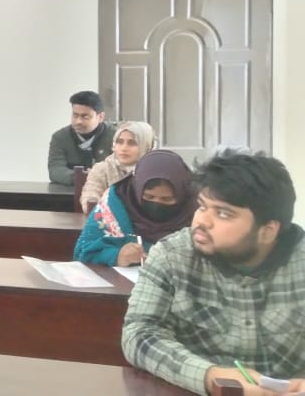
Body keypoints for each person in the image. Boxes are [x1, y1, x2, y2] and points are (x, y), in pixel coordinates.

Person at [122, 151, 305, 396]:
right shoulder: (172, 254)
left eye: (223, 213)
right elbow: (139, 334)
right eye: (202, 206)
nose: (202, 221)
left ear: (268, 231)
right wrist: (210, 376)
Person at [73, 150, 195, 266]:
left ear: (182, 194)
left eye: (167, 199)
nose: (157, 204)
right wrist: (116, 256)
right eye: (149, 197)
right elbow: (82, 253)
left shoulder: (196, 211)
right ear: (137, 190)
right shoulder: (115, 204)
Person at [80, 121, 156, 212]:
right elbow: (90, 198)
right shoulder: (102, 169)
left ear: (146, 146)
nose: (124, 148)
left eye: (132, 143)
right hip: (107, 218)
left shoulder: (155, 171)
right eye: (119, 142)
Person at [48, 90, 119, 185]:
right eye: (75, 115)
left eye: (85, 117)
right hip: (70, 189)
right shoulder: (60, 137)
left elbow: (122, 168)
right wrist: (83, 177)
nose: (78, 121)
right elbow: (55, 170)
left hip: (106, 189)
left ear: (100, 117)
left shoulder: (116, 137)